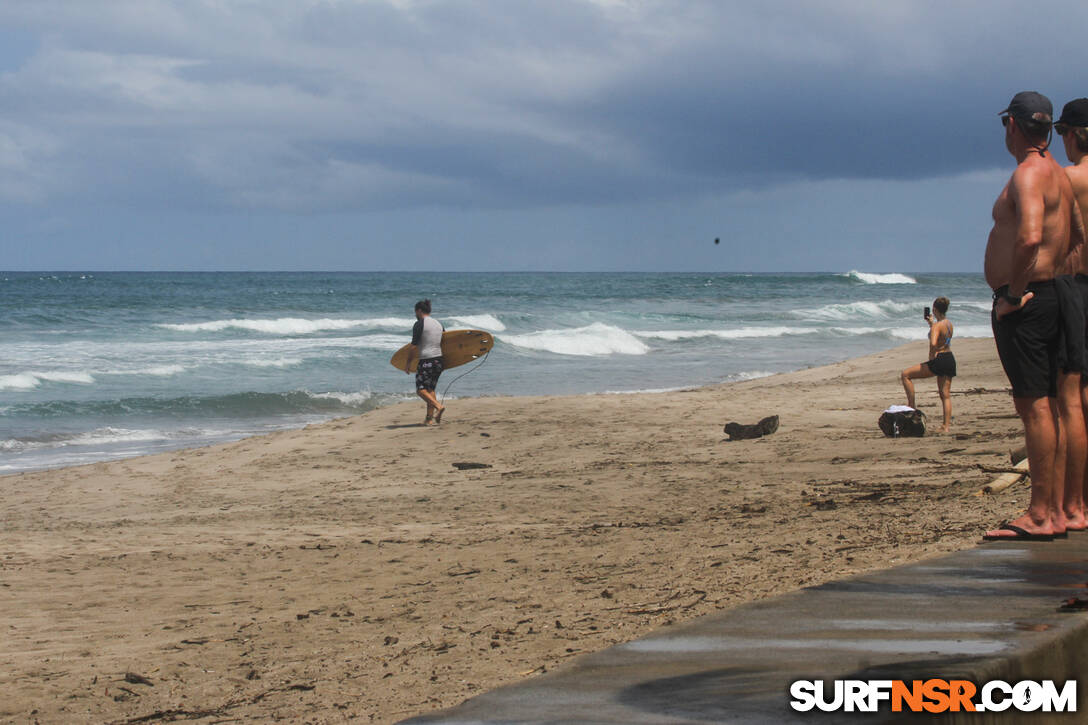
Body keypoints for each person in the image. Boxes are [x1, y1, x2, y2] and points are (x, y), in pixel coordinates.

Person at [983, 91, 1083, 541]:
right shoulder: (1058, 174)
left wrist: (1015, 292)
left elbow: (1029, 237)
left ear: (1013, 125)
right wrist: (1054, 278)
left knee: (1036, 407)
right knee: (1052, 407)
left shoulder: (1027, 174)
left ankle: (1041, 515)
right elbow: (1077, 235)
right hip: (1053, 294)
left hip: (1028, 301)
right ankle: (1057, 511)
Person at [1056, 98, 1088, 529]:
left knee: (1070, 398)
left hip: (1076, 287)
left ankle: (1073, 504)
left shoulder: (1069, 179)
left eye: (1063, 132)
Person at [899, 297, 955, 433]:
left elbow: (934, 342)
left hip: (939, 359)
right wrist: (931, 324)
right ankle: (946, 426)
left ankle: (911, 406)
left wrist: (932, 355)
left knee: (906, 375)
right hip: (949, 358)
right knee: (945, 395)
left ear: (934, 309)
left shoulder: (937, 326)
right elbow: (942, 338)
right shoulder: (948, 324)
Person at [404, 299, 446, 425]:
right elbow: (446, 341)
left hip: (427, 360)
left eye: (415, 312)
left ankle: (439, 407)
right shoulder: (438, 324)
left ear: (419, 311)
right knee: (430, 389)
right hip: (439, 361)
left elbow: (413, 346)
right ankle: (429, 419)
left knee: (421, 390)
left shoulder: (419, 324)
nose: (415, 314)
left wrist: (408, 363)